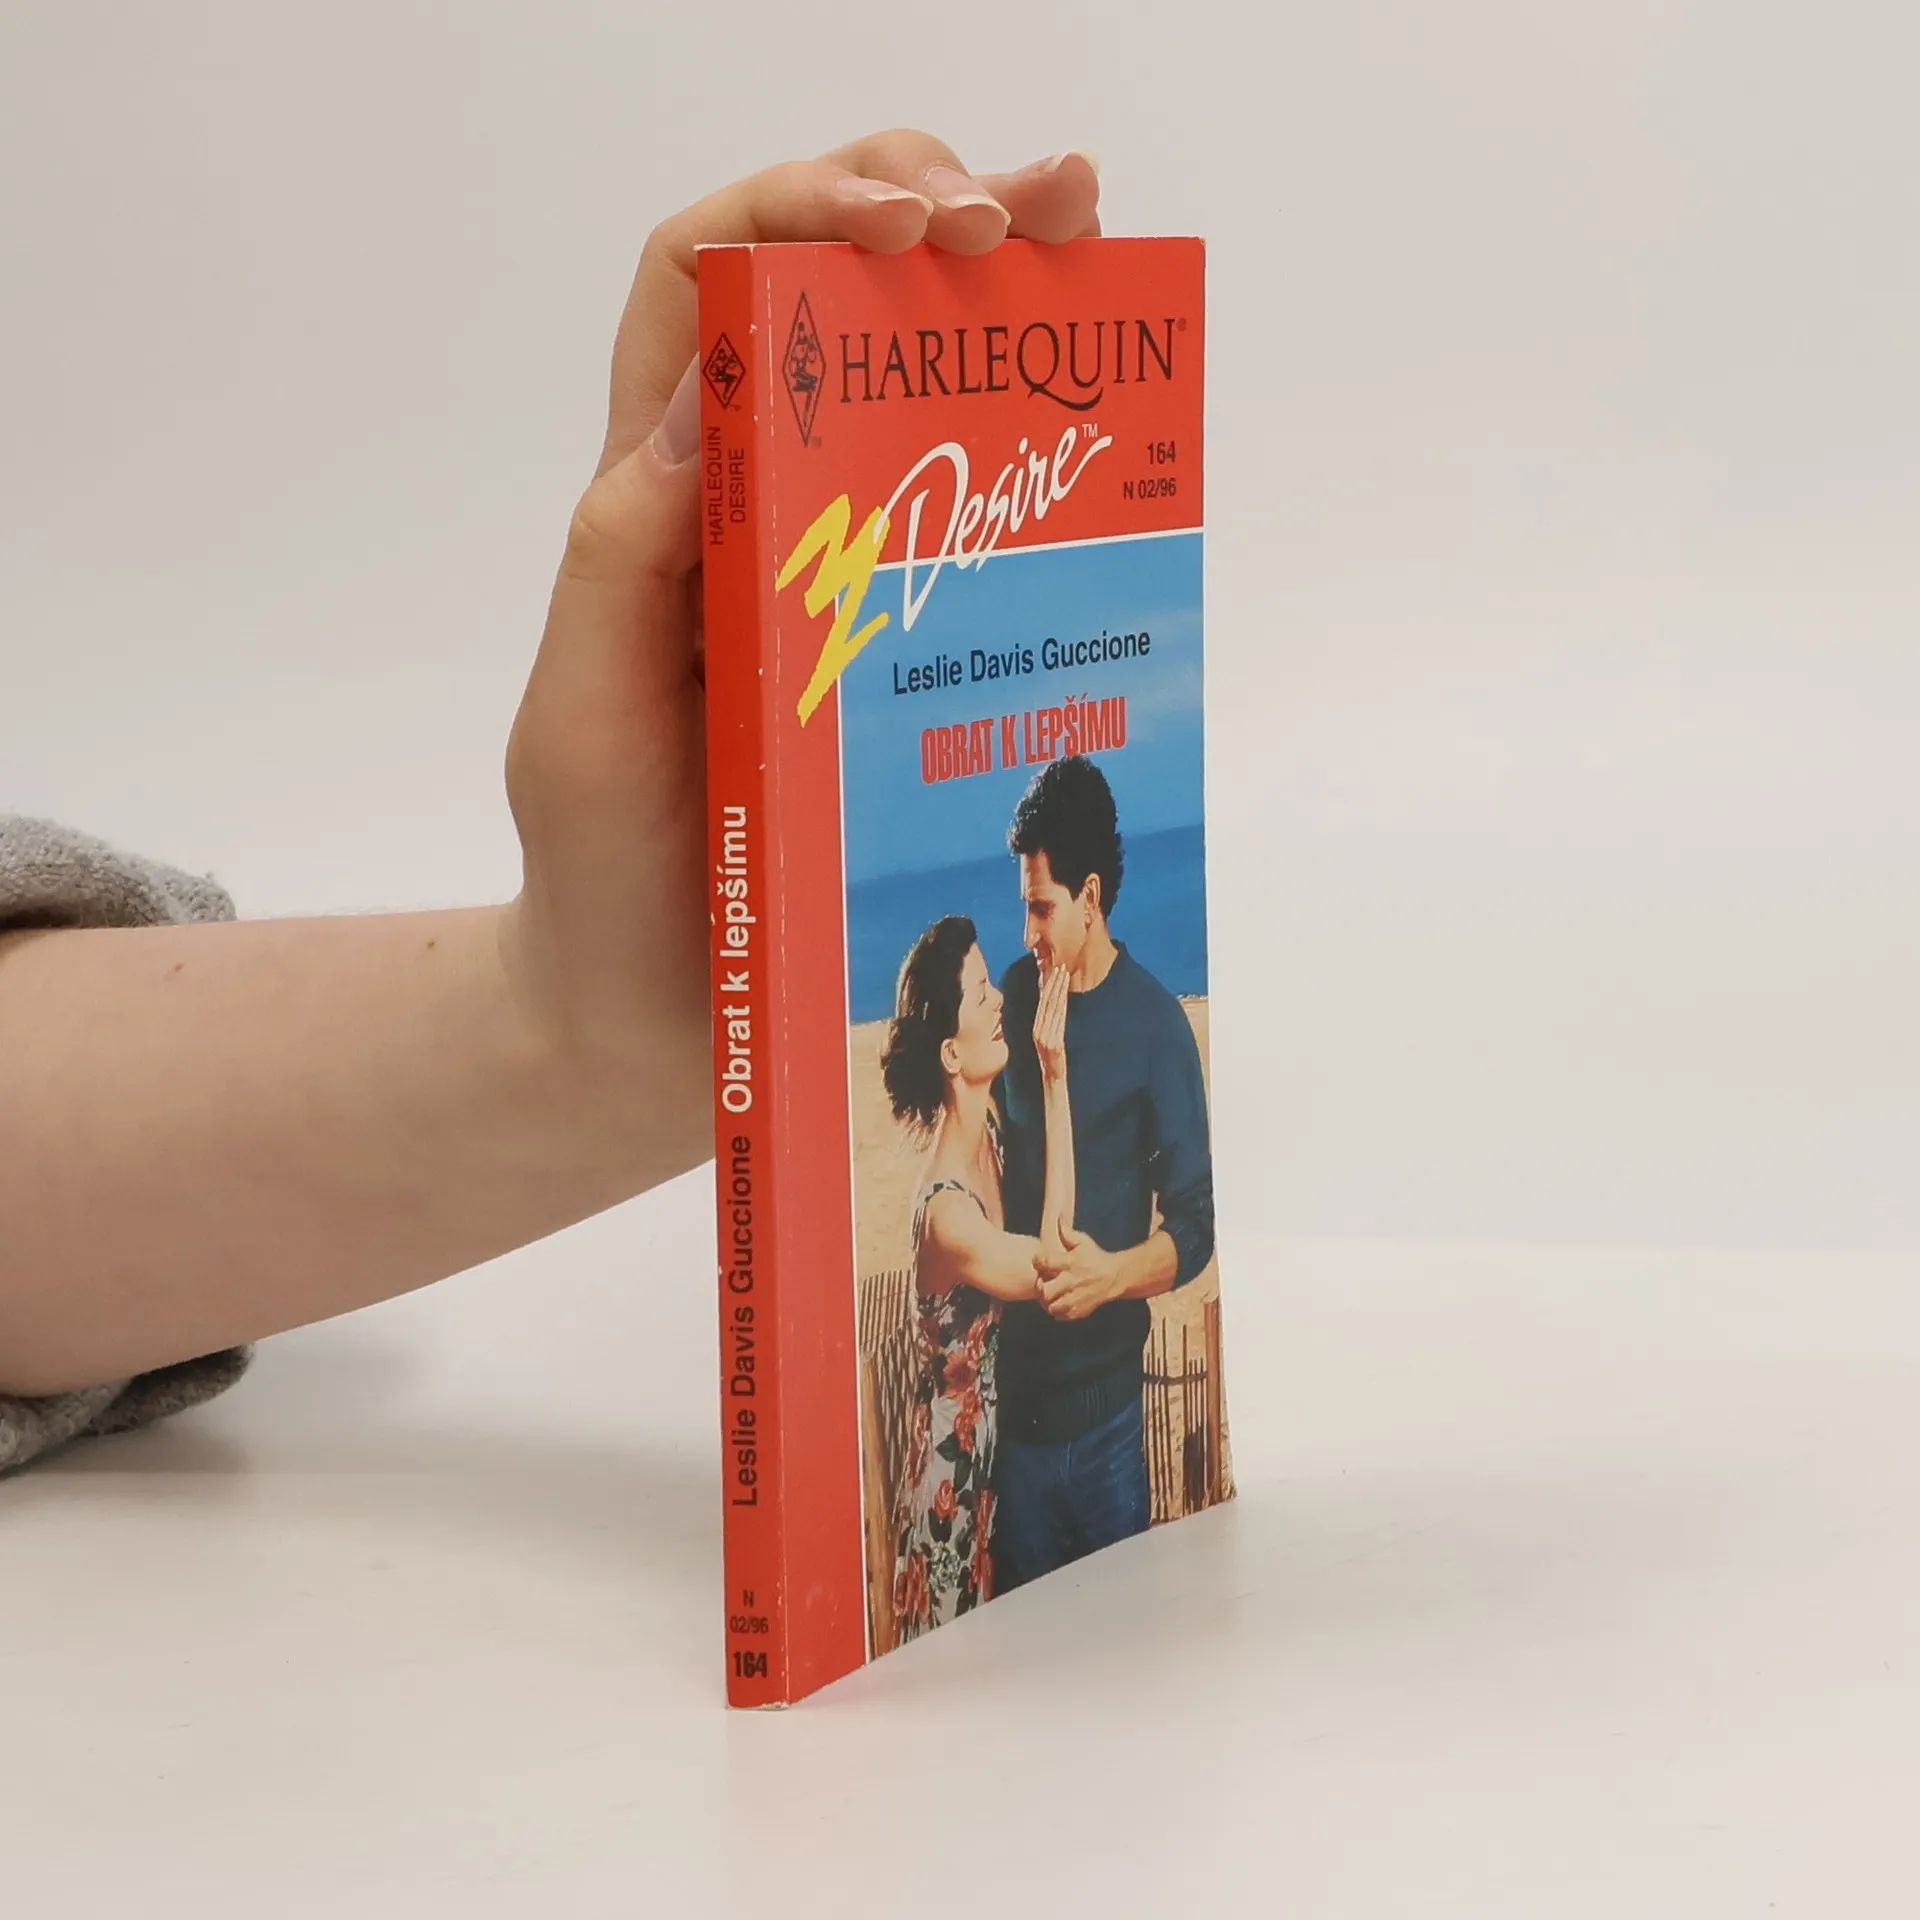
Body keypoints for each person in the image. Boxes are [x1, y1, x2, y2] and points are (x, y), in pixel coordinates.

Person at [0, 131, 1103, 1473]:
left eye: (993, 981)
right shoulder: (950, 1197)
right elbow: (1058, 1268)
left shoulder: (966, 1155)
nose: (1010, 986)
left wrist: (597, 1029)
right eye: (987, 988)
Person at [989, 755, 1216, 1589]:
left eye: (1041, 908)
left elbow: (1197, 1225)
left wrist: (1112, 1276)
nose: (1028, 934)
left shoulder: (1157, 1025)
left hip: (1110, 1432)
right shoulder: (1013, 998)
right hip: (1016, 1426)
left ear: (1090, 896)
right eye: (1024, 907)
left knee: (1122, 1644)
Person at [877, 917, 1074, 1638]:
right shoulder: (947, 1215)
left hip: (990, 1475)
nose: (999, 1002)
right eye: (982, 991)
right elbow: (1053, 1263)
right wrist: (1055, 1077)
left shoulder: (988, 1137)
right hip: (949, 1496)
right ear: (952, 1053)